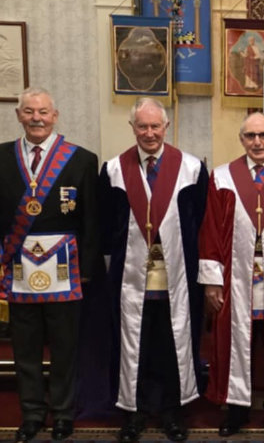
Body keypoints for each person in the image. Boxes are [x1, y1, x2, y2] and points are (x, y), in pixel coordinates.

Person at [0, 87, 101, 442]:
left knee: (65, 347)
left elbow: (90, 220)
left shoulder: (81, 159)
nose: (37, 118)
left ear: (55, 115)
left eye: (43, 112)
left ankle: (63, 413)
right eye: (29, 111)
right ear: (19, 115)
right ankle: (31, 413)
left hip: (66, 269)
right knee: (25, 348)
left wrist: (88, 268)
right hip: (17, 270)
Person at [98, 97, 207, 442]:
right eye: (142, 126)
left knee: (171, 344)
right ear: (132, 128)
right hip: (129, 280)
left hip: (179, 278)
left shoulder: (191, 168)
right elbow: (105, 228)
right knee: (135, 346)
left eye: (155, 126)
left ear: (166, 127)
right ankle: (135, 412)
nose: (149, 133)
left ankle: (173, 412)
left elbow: (202, 222)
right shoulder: (114, 170)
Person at [199, 112, 264, 438]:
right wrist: (213, 280)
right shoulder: (222, 178)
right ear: (242, 139)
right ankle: (235, 410)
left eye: (263, 135)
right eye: (250, 136)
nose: (257, 142)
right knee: (234, 343)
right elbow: (210, 231)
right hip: (235, 277)